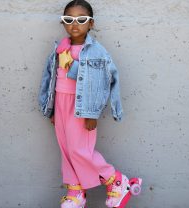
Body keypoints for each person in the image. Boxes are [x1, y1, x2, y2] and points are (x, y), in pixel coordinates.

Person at [38, 1, 142, 207]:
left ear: (91, 23)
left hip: (82, 108)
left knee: (80, 150)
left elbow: (100, 82)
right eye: (68, 20)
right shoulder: (60, 47)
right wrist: (51, 109)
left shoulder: (95, 52)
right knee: (67, 149)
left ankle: (116, 181)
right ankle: (75, 192)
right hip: (61, 103)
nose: (74, 24)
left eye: (81, 19)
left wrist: (92, 113)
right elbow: (50, 79)